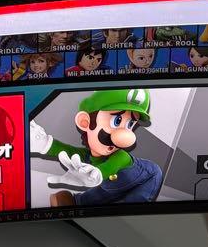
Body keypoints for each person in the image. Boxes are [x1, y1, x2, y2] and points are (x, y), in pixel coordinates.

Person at [30, 88, 161, 208]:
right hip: (114, 184)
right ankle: (77, 202)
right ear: (85, 122)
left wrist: (97, 174)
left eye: (130, 124)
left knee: (135, 202)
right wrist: (44, 143)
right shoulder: (89, 156)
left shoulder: (121, 156)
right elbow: (69, 152)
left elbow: (108, 168)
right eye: (117, 121)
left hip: (147, 176)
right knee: (104, 191)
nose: (126, 137)